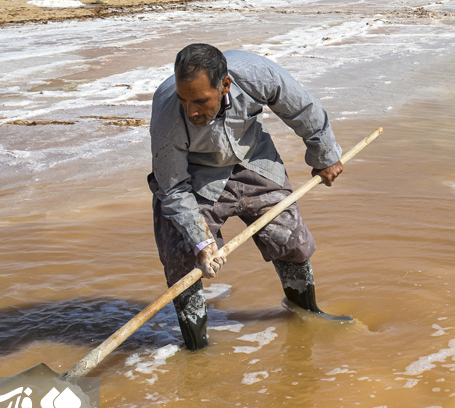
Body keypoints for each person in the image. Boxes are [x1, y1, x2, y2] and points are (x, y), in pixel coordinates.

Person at [148, 43, 348, 351]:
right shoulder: (167, 117)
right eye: (183, 100)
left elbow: (303, 110)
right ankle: (197, 350)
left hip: (253, 159)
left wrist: (324, 155)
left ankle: (306, 314)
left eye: (200, 101)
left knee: (289, 238)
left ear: (225, 85)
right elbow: (174, 189)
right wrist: (201, 242)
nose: (191, 111)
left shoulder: (258, 74)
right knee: (184, 258)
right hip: (195, 176)